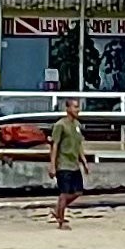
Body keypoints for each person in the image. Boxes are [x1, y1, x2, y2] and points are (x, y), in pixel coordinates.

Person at [51, 93, 87, 226]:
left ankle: (58, 210)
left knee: (78, 192)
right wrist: (53, 165)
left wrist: (84, 161)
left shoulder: (77, 125)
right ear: (67, 108)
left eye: (78, 107)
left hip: (74, 164)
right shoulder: (60, 125)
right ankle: (60, 220)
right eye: (75, 107)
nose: (77, 110)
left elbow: (79, 145)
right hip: (63, 163)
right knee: (64, 193)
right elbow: (54, 145)